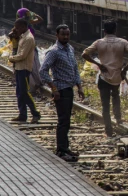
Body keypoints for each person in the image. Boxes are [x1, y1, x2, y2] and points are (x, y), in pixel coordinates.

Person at [81, 20, 128, 137]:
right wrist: (125, 69)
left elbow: (84, 54)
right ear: (115, 30)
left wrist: (98, 64)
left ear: (104, 31)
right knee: (116, 98)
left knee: (105, 105)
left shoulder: (99, 42)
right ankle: (119, 121)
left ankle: (108, 130)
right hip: (117, 77)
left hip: (104, 77)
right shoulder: (123, 42)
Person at [40, 24, 85, 161]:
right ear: (57, 35)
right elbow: (43, 71)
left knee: (66, 120)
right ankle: (61, 150)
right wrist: (54, 89)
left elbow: (75, 69)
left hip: (69, 88)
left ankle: (65, 148)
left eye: (67, 34)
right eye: (63, 34)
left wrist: (79, 86)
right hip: (60, 89)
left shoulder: (70, 48)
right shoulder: (53, 51)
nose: (65, 37)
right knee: (63, 121)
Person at [7, 18, 41, 123]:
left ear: (23, 27)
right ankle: (22, 115)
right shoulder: (22, 36)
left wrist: (11, 58)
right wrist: (14, 37)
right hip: (19, 68)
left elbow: (22, 55)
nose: (16, 29)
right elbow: (17, 49)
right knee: (19, 93)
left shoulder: (28, 38)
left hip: (24, 69)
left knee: (25, 93)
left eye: (17, 28)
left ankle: (36, 113)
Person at [16, 8, 45, 94]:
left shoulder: (28, 23)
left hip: (32, 48)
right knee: (30, 67)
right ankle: (32, 87)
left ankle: (37, 83)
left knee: (35, 66)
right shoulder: (18, 26)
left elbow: (40, 19)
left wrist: (33, 14)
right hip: (26, 49)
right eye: (26, 14)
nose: (28, 16)